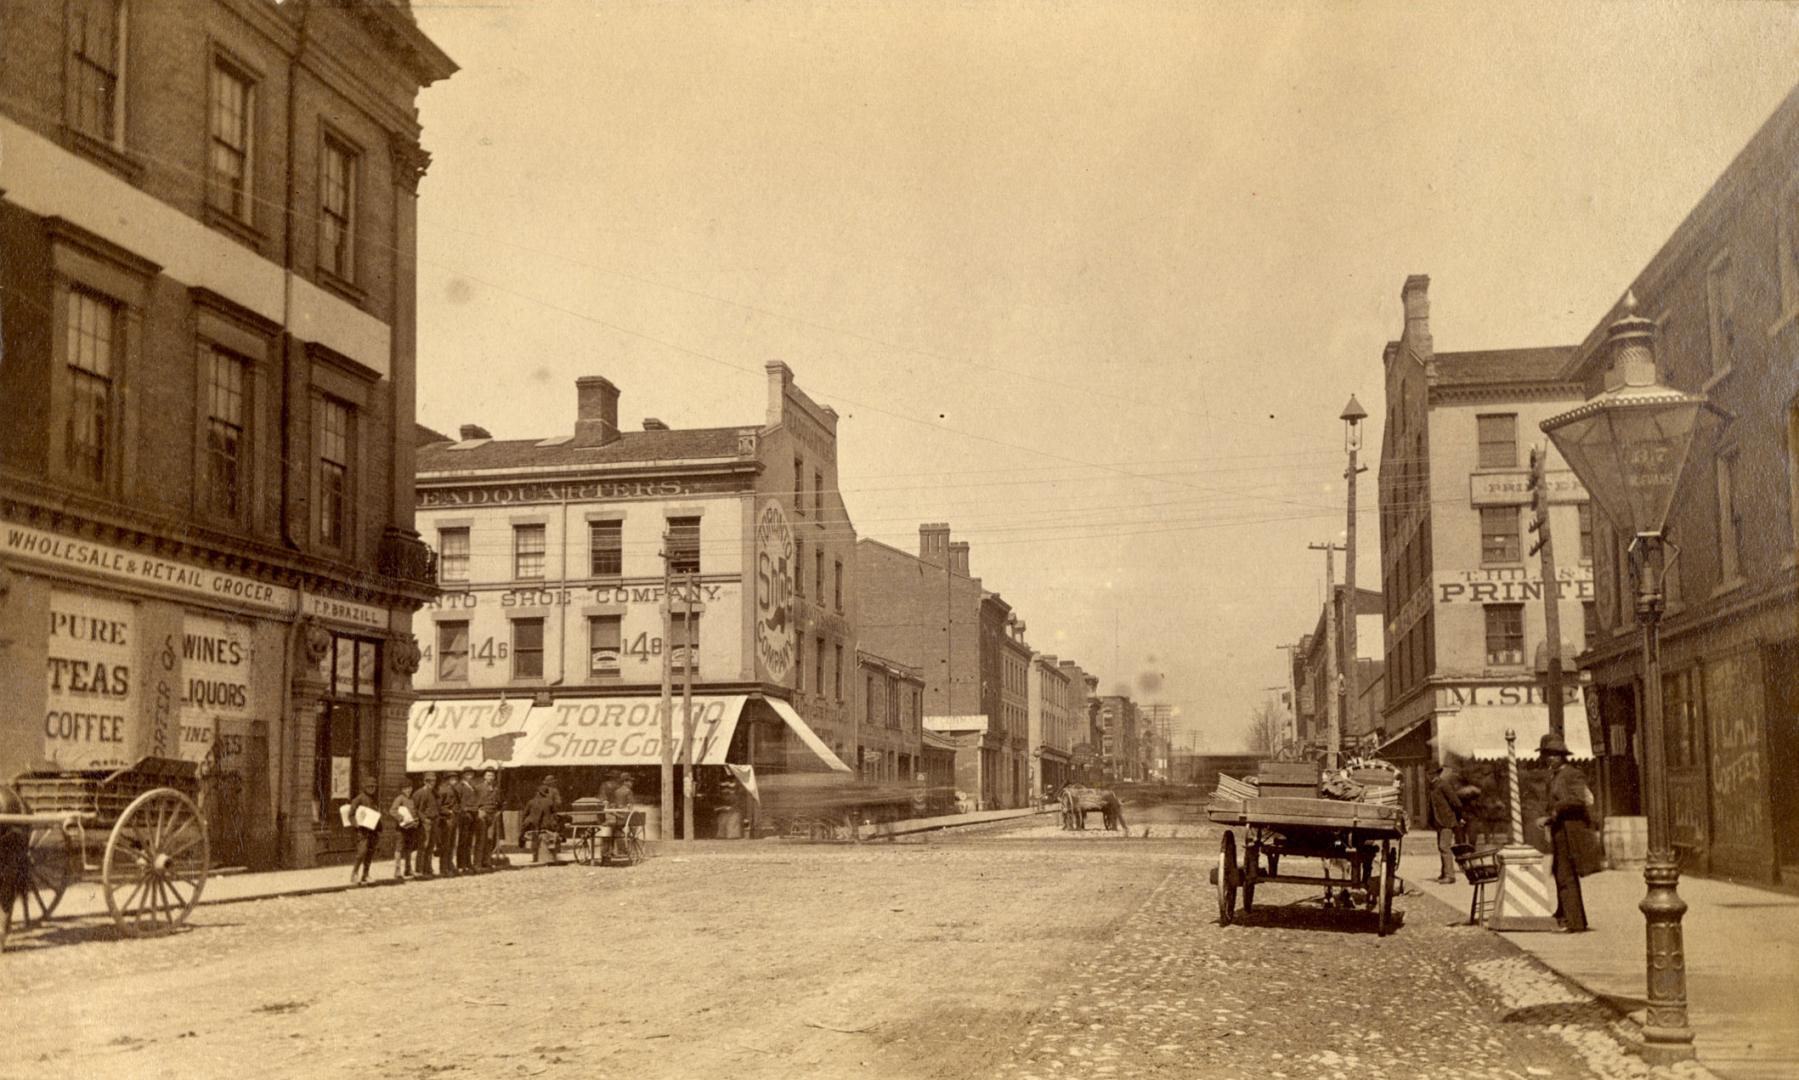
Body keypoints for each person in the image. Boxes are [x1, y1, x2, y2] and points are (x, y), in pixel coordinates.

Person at [1535, 732, 1596, 933]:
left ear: (1562, 756)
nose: (1549, 758)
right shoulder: (1555, 776)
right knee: (1560, 873)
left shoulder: (1572, 774)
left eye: (1553, 754)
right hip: (1560, 831)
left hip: (1572, 832)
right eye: (1547, 754)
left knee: (1566, 875)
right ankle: (1564, 915)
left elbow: (1580, 799)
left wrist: (1553, 813)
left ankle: (1574, 922)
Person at [1429, 765, 1469, 884]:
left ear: (1437, 774)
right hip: (1439, 821)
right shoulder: (1433, 786)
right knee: (1441, 847)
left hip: (1447, 821)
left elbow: (1456, 803)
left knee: (1444, 847)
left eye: (1431, 773)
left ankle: (1450, 876)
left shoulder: (1443, 785)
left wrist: (1459, 817)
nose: (1429, 775)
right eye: (1428, 773)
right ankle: (1444, 873)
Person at [347, 775, 381, 885]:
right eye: (369, 787)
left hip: (373, 830)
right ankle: (354, 873)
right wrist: (356, 824)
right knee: (362, 852)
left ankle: (365, 874)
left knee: (370, 853)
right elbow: (351, 815)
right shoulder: (359, 799)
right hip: (362, 831)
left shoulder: (375, 799)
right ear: (365, 787)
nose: (372, 789)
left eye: (373, 787)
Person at [391, 775, 421, 880]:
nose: (408, 790)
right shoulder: (399, 799)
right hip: (401, 829)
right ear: (401, 789)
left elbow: (414, 812)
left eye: (409, 788)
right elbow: (392, 811)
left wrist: (416, 820)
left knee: (409, 848)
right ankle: (397, 870)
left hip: (411, 828)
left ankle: (408, 869)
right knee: (399, 848)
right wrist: (401, 818)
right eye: (405, 788)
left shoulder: (412, 799)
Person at [521, 783, 559, 863]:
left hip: (533, 827)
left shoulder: (531, 802)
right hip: (547, 826)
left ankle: (535, 857)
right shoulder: (549, 802)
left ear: (537, 792)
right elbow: (555, 814)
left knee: (533, 837)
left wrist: (525, 824)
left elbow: (525, 814)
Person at [412, 772, 440, 879]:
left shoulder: (434, 793)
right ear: (424, 781)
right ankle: (419, 870)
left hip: (434, 821)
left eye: (433, 781)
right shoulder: (420, 793)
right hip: (425, 823)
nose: (431, 783)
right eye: (429, 781)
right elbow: (416, 809)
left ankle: (428, 868)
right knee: (423, 846)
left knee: (431, 846)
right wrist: (424, 819)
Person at [476, 767, 504, 871]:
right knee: (481, 839)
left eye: (492, 776)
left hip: (492, 816)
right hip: (482, 815)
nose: (490, 778)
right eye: (488, 775)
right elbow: (474, 801)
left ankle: (486, 861)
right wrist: (479, 811)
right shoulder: (478, 788)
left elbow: (500, 803)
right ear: (484, 776)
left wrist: (498, 812)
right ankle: (477, 863)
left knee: (489, 840)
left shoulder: (496, 789)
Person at [435, 771, 462, 877]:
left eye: (455, 778)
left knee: (451, 844)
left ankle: (449, 865)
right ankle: (443, 868)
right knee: (445, 844)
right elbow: (438, 806)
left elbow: (457, 803)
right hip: (446, 819)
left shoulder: (454, 789)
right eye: (451, 778)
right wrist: (448, 812)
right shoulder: (442, 790)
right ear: (447, 779)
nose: (454, 780)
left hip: (454, 818)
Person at [455, 768, 479, 873]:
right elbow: (458, 801)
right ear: (463, 775)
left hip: (473, 814)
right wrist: (463, 811)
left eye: (471, 774)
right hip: (465, 815)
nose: (470, 776)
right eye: (467, 774)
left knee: (469, 840)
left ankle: (468, 863)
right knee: (463, 840)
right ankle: (461, 864)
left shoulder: (473, 786)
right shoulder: (460, 787)